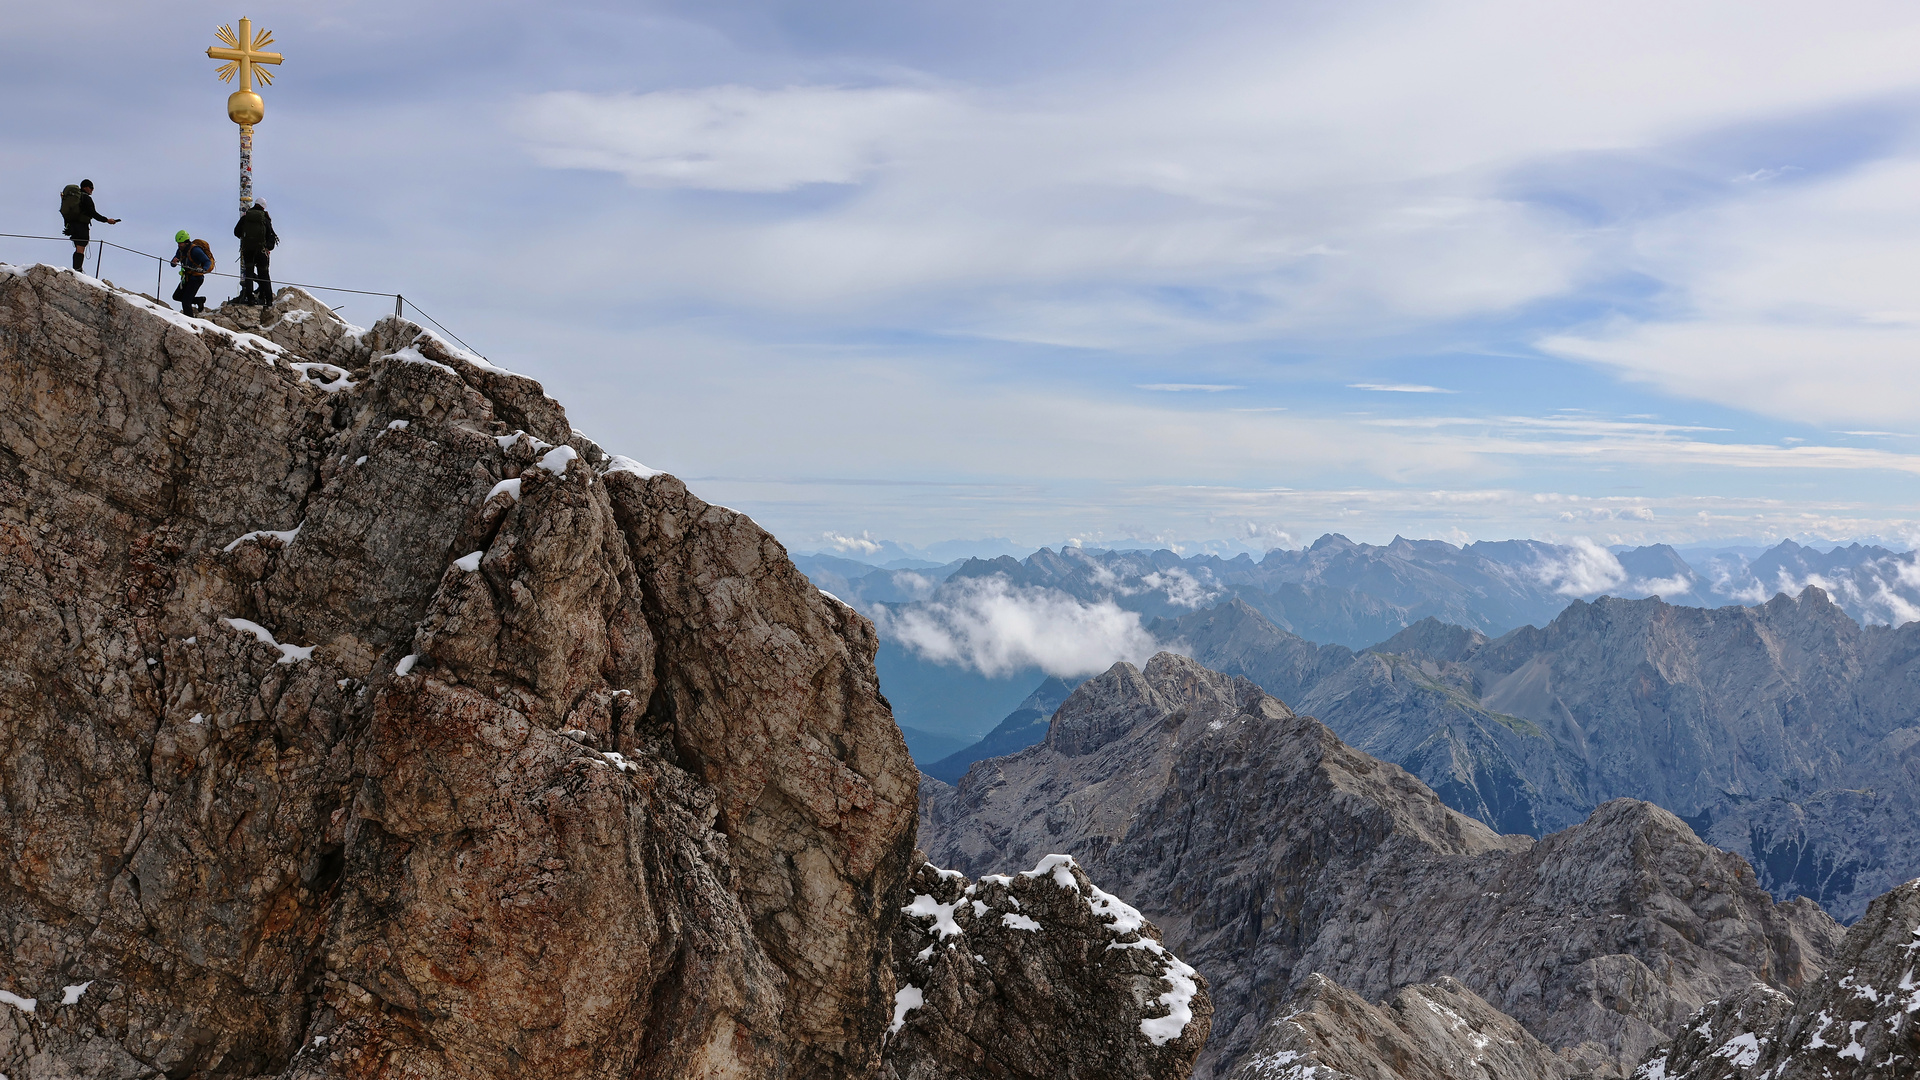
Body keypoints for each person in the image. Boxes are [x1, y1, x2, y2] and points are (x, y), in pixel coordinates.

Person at [59, 179, 120, 272]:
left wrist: (67, 226)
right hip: (82, 226)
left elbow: (65, 213)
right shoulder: (85, 198)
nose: (92, 190)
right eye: (91, 188)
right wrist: (107, 220)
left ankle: (76, 269)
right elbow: (93, 213)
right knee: (81, 248)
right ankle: (77, 270)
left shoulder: (74, 199)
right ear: (86, 187)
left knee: (78, 248)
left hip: (72, 226)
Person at [234, 199, 277, 305]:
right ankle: (268, 299)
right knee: (264, 274)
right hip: (261, 251)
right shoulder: (265, 218)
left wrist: (245, 239)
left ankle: (250, 298)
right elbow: (270, 235)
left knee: (248, 273)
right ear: (263, 206)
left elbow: (236, 231)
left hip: (248, 250)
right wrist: (267, 246)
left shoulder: (246, 217)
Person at [169, 230, 214, 316]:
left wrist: (204, 269)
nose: (179, 245)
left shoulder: (195, 250)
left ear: (186, 242)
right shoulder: (180, 250)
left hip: (196, 278)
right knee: (176, 296)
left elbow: (207, 261)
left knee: (186, 302)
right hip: (187, 278)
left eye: (180, 243)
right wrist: (173, 262)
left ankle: (189, 322)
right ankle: (198, 300)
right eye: (178, 243)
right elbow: (173, 263)